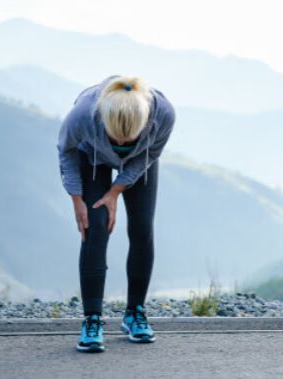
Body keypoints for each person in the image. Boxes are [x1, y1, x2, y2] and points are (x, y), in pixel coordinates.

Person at [57, 74, 176, 353]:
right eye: (116, 139)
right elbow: (66, 151)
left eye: (128, 140)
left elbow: (152, 154)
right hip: (92, 156)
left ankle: (135, 312)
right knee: (94, 226)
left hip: (141, 160)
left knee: (142, 228)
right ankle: (92, 319)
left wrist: (115, 191)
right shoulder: (82, 115)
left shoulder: (164, 115)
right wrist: (77, 199)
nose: (121, 145)